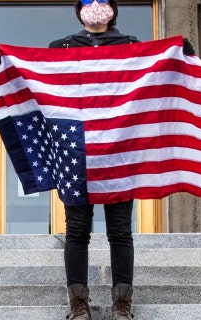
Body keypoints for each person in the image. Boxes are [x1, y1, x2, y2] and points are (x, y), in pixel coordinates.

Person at [49, 1, 138, 319]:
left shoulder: (132, 46)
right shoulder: (59, 48)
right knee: (76, 230)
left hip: (117, 150)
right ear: (79, 9)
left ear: (113, 9)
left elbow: (156, 80)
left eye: (102, 0)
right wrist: (4, 63)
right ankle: (78, 303)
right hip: (76, 150)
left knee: (120, 230)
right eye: (88, 0)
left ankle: (122, 303)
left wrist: (181, 54)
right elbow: (41, 87)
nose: (95, 5)